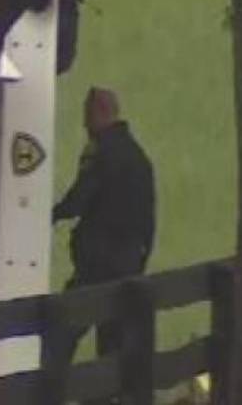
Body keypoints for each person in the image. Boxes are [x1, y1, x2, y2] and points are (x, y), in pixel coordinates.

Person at [45, 87, 156, 404]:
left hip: (96, 266)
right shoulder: (140, 158)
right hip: (128, 267)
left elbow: (82, 197)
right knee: (112, 350)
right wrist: (138, 261)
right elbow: (150, 220)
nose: (83, 124)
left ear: (98, 113)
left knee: (60, 332)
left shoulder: (100, 151)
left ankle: (47, 397)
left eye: (86, 116)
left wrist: (51, 214)